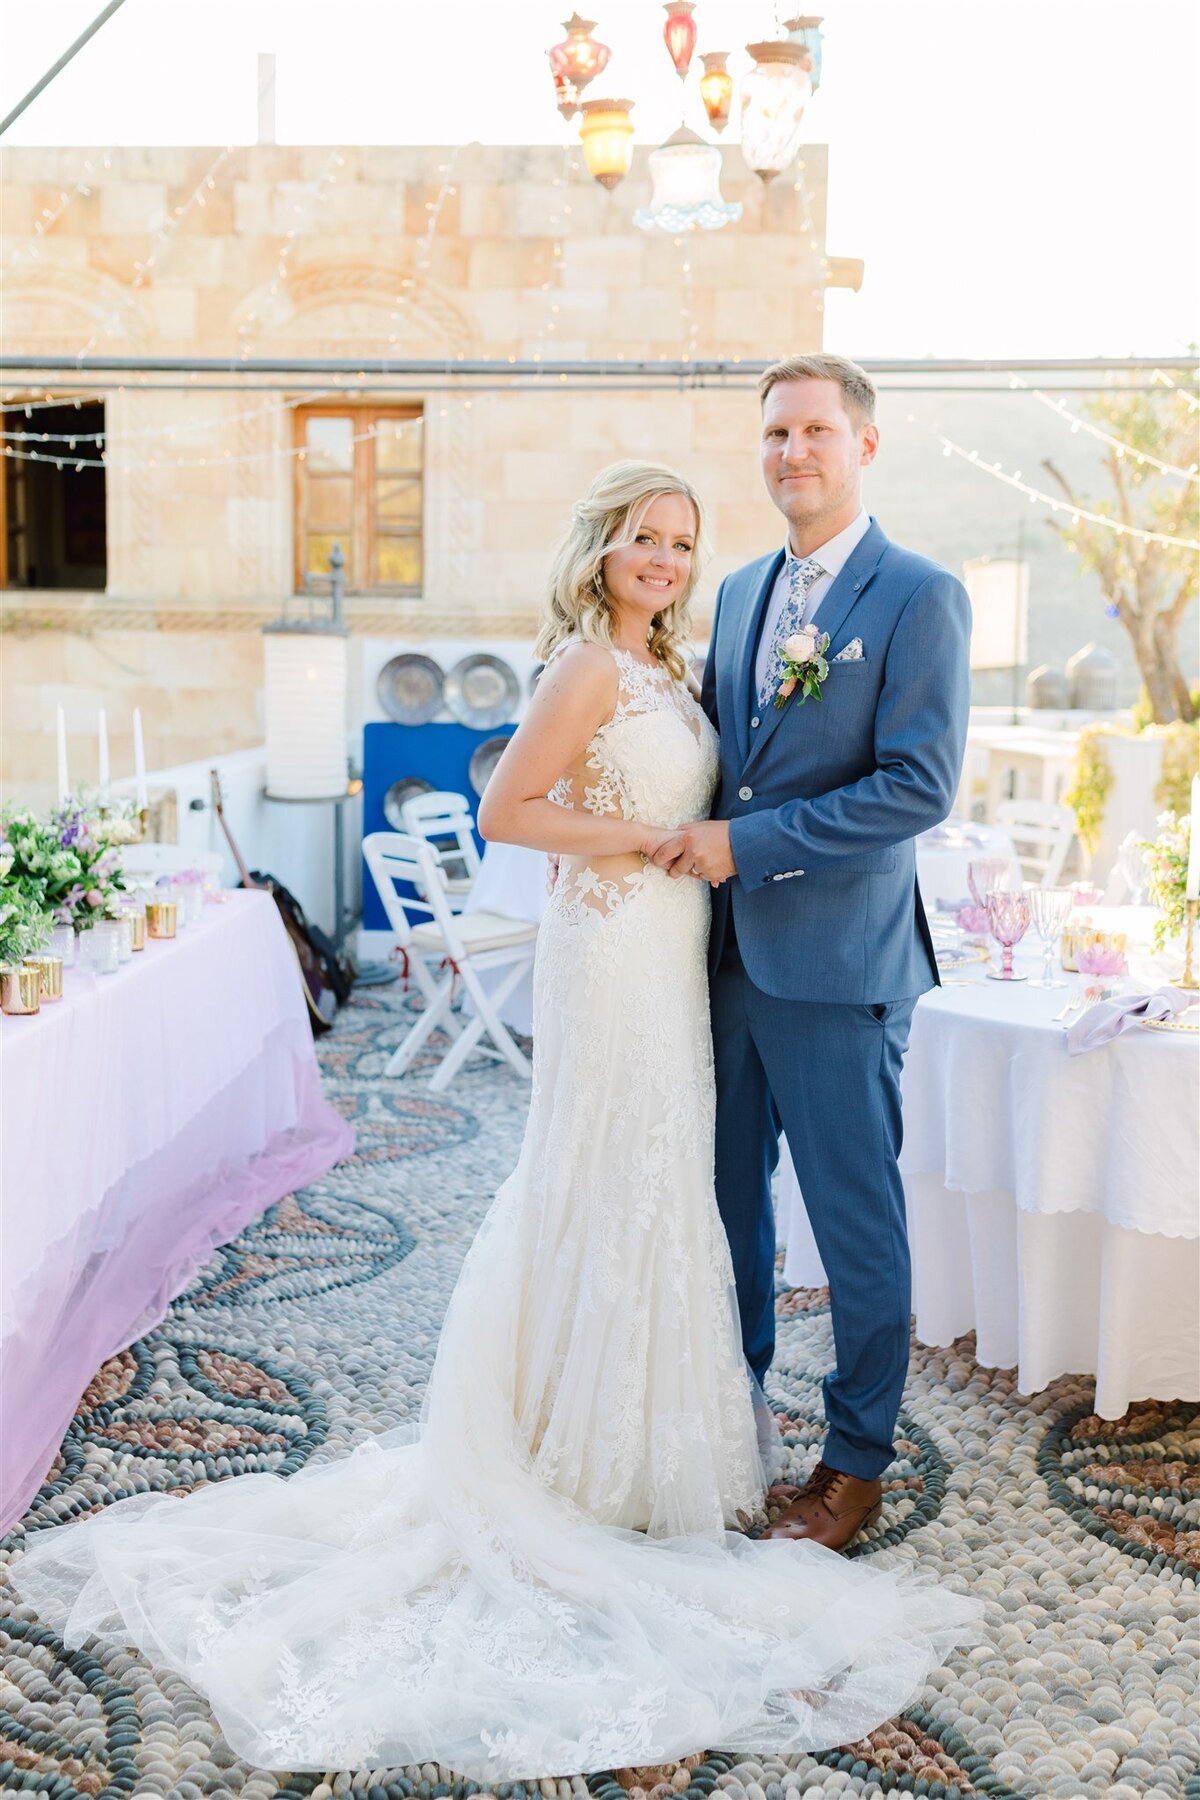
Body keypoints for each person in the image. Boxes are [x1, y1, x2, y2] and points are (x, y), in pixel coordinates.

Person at [13, 459, 977, 1781]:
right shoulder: (588, 665)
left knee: (664, 1183)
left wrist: (682, 843)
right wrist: (638, 840)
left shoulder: (678, 661)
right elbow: (505, 807)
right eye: (644, 537)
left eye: (680, 542)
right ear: (601, 550)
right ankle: (574, 1454)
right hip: (617, 939)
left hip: (683, 949)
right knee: (606, 1172)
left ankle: (655, 1444)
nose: (665, 558)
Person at [651, 354, 972, 1554]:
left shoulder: (916, 595)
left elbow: (917, 788)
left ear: (865, 447)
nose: (793, 452)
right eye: (776, 433)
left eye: (817, 432)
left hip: (841, 965)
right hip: (724, 962)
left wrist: (748, 842)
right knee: (728, 1207)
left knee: (855, 1222)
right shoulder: (736, 593)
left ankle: (854, 1463)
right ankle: (734, 1424)